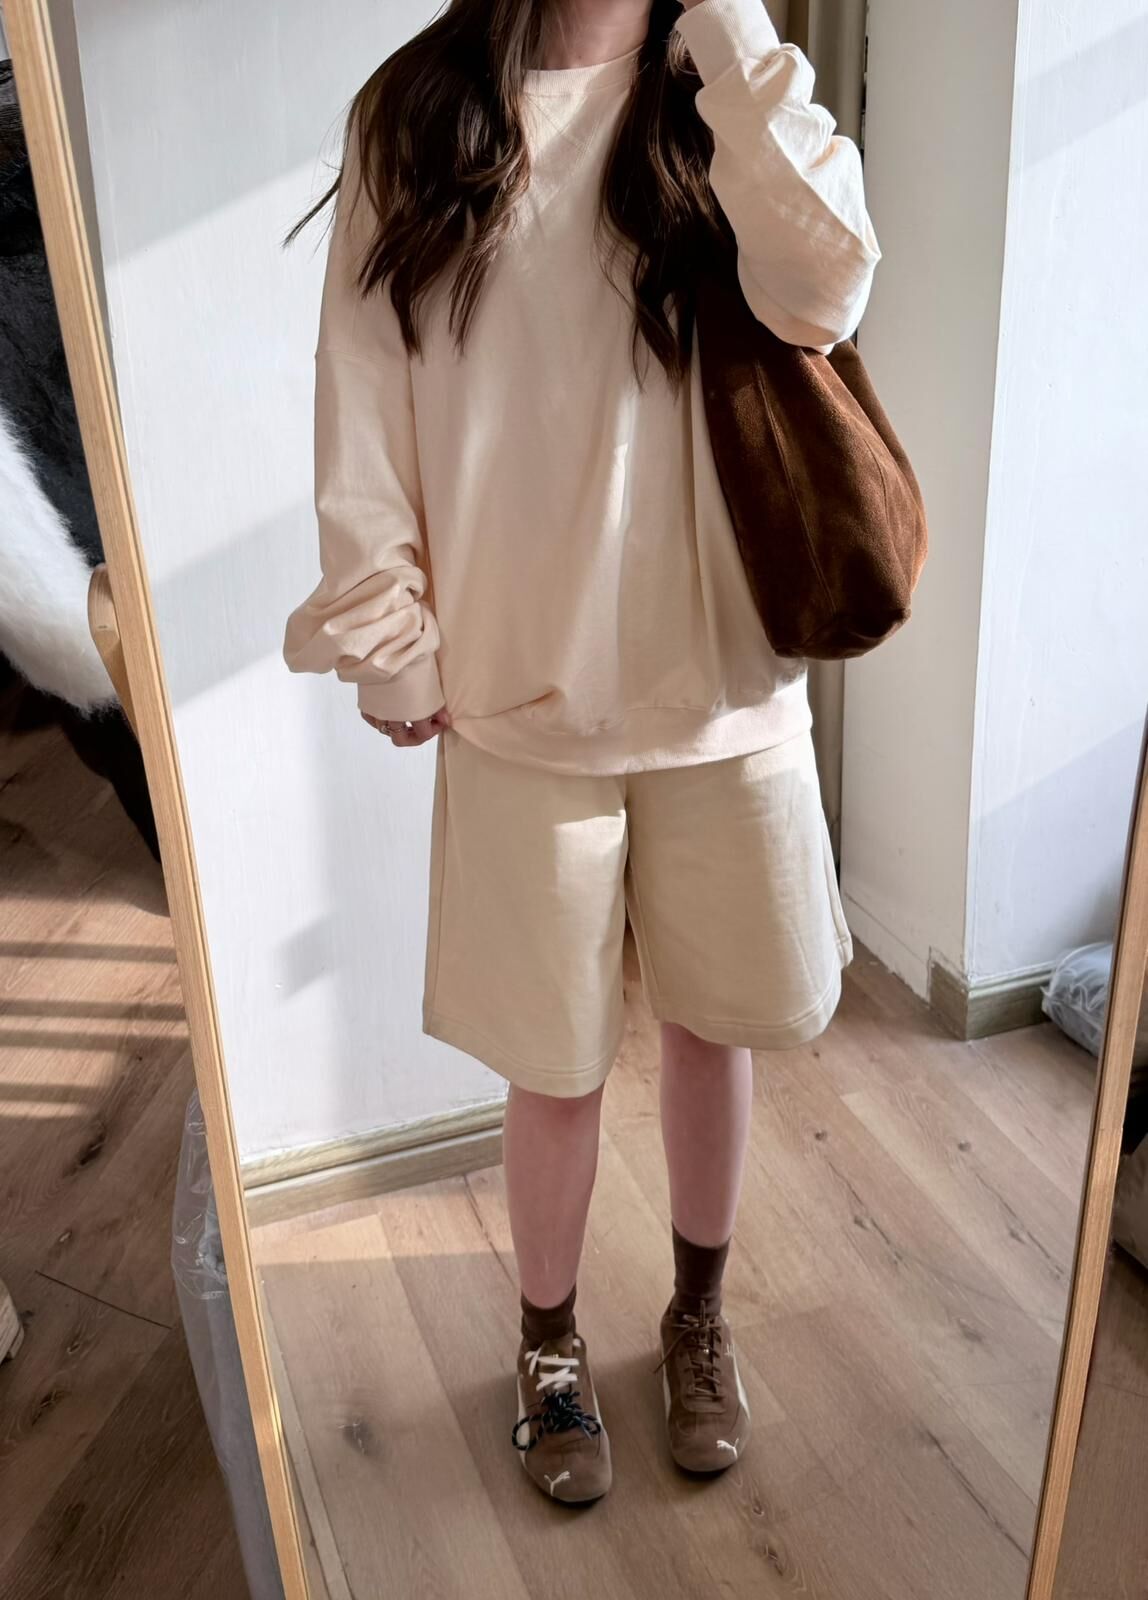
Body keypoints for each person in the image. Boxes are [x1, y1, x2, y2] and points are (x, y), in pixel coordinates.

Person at [284, 0, 877, 1504]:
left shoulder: (720, 82)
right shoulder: (416, 112)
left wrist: (732, 39)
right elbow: (361, 397)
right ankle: (547, 1344)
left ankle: (697, 1316)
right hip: (516, 686)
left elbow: (826, 288)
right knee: (551, 1064)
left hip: (723, 682)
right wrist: (393, 636)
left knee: (713, 1026)